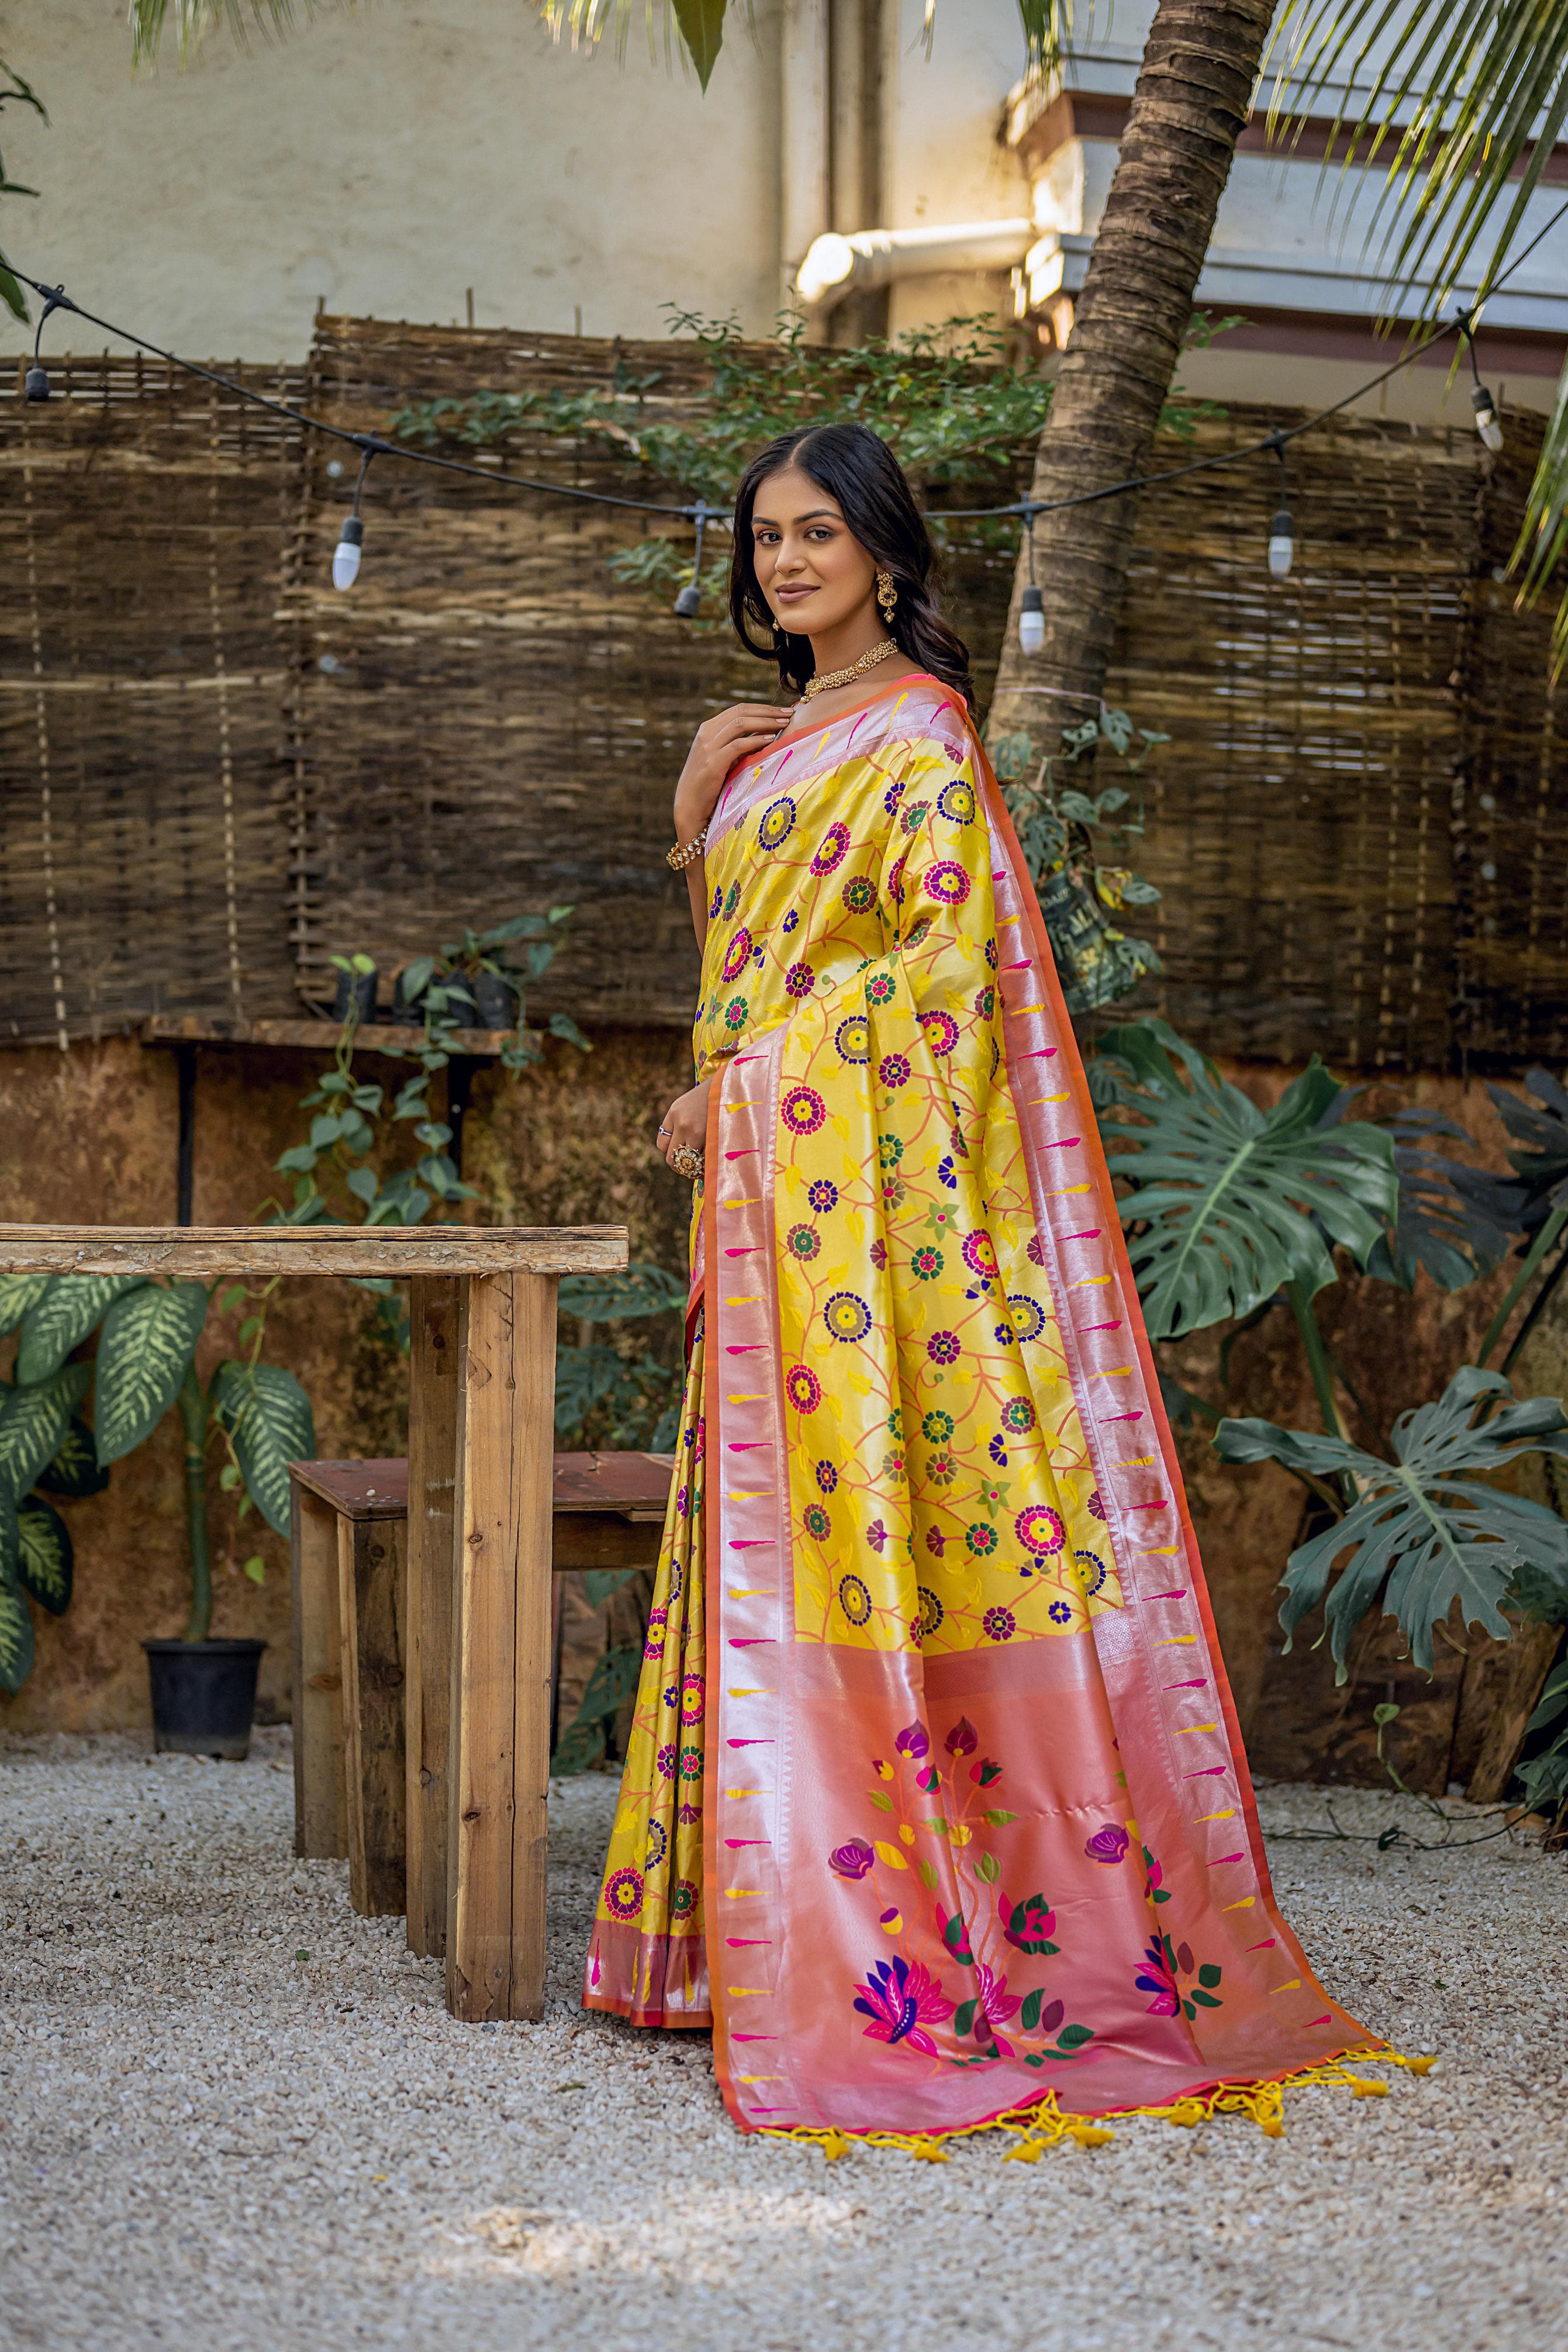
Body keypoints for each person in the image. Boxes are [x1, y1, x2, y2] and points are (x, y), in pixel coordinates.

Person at [582, 421, 1391, 2153]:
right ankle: (745, 1934)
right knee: (774, 1527)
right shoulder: (773, 741)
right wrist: (691, 821)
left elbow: (938, 989)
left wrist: (742, 1088)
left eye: (817, 532)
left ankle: (905, 1932)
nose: (786, 562)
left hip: (867, 1233)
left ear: (884, 549)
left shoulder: (922, 737)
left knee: (868, 1523)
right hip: (782, 1207)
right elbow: (757, 963)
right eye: (765, 538)